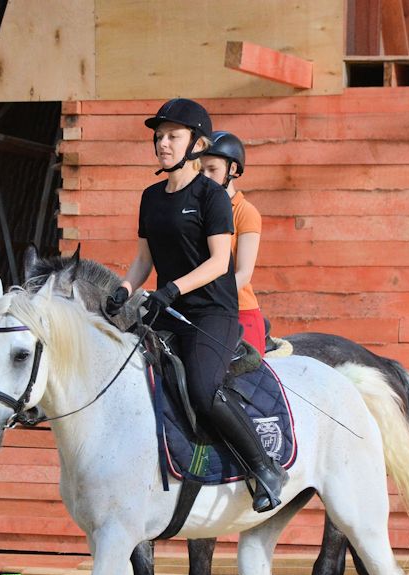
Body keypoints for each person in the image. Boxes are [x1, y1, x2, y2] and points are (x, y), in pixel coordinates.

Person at [103, 98, 286, 512]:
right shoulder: (150, 197)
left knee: (203, 391)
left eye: (173, 136)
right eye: (159, 136)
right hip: (165, 312)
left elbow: (220, 262)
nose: (163, 144)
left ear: (197, 143)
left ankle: (264, 467)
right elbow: (143, 262)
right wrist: (122, 291)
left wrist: (172, 290)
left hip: (211, 314)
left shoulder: (211, 196)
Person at [199, 131, 266, 355]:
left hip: (239, 312)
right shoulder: (197, 212)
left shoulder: (246, 213)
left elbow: (244, 273)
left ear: (233, 170)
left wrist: (204, 298)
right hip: (202, 311)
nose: (205, 177)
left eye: (212, 169)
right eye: (200, 171)